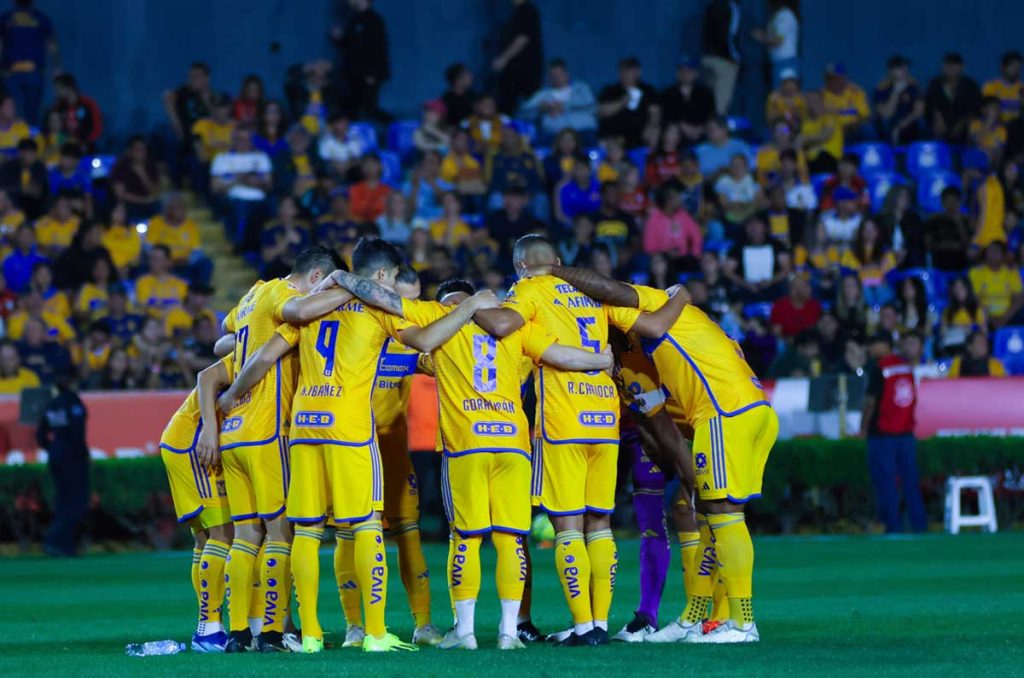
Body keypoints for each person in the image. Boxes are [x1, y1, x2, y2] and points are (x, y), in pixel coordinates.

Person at [331, 269, 614, 650]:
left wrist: (341, 276)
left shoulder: (439, 319)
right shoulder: (512, 326)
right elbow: (561, 354)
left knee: (465, 537)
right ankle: (509, 633)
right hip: (514, 446)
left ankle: (464, 633)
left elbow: (385, 301)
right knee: (512, 539)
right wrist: (601, 358)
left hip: (466, 445)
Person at [218, 240, 438, 653]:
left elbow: (259, 355)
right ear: (382, 277)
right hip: (352, 428)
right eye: (391, 280)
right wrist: (466, 308)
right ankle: (374, 633)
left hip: (303, 425)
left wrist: (231, 395)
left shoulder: (304, 312)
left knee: (307, 530)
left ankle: (313, 635)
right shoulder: (374, 307)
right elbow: (427, 339)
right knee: (367, 526)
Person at [470, 234, 685, 646]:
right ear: (558, 259)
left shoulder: (529, 290)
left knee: (567, 524)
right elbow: (652, 323)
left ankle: (584, 626)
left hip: (563, 420)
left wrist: (469, 306)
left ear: (520, 266)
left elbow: (500, 324)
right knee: (600, 522)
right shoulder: (592, 292)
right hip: (604, 418)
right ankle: (601, 623)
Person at [547, 264, 777, 644]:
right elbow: (657, 428)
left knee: (720, 513)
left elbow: (613, 293)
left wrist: (556, 272)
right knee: (708, 512)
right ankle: (695, 617)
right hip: (750, 409)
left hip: (724, 412)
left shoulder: (650, 310)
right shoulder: (672, 325)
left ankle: (740, 622)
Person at [213, 246, 341, 653]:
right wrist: (349, 292)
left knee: (246, 536)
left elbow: (223, 337)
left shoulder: (253, 294)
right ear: (317, 275)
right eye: (327, 283)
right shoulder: (283, 294)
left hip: (234, 432)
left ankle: (237, 633)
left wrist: (247, 343)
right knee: (280, 533)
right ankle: (271, 632)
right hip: (267, 429)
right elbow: (301, 312)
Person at [158, 356, 236, 652]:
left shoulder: (250, 338)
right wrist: (210, 429)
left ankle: (210, 628)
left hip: (184, 438)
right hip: (195, 441)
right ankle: (209, 631)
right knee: (223, 534)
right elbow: (206, 376)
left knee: (205, 540)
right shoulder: (257, 343)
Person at [860, 332, 927, 534]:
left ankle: (893, 526)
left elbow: (871, 403)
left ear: (885, 345)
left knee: (886, 482)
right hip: (905, 433)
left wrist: (863, 428)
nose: (869, 349)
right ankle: (919, 525)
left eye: (873, 344)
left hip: (883, 434)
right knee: (911, 483)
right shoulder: (905, 367)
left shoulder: (879, 368)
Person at [37, 367, 89, 557]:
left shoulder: (52, 405)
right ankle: (60, 542)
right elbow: (77, 434)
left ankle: (57, 542)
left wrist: (52, 448)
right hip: (73, 458)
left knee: (62, 500)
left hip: (56, 455)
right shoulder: (73, 404)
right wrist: (82, 455)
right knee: (76, 502)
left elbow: (41, 434)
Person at [210, 126, 272, 251]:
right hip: (234, 199)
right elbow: (215, 187)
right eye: (239, 139)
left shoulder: (261, 157)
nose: (243, 143)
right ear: (233, 140)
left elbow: (268, 184)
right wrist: (247, 179)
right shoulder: (222, 158)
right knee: (239, 207)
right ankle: (240, 245)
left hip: (260, 199)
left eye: (246, 139)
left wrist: (237, 179)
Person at [0, 0, 58, 126]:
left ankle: (33, 142)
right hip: (15, 74)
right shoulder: (5, 18)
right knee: (15, 113)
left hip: (29, 73)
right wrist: (56, 67)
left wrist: (56, 68)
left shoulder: (41, 18)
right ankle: (15, 143)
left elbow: (51, 44)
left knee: (30, 115)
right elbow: (52, 46)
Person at [331, 0, 391, 121]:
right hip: (354, 75)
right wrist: (340, 39)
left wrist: (373, 74)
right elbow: (353, 46)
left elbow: (378, 49)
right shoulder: (355, 20)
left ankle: (393, 127)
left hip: (368, 75)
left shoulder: (374, 19)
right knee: (354, 108)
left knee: (369, 109)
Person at [520, 58, 597, 145]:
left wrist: (564, 106)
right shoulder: (543, 94)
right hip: (554, 135)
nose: (556, 78)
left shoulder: (581, 89)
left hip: (582, 132)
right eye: (553, 75)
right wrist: (540, 108)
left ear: (567, 73)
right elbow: (524, 112)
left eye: (559, 74)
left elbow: (591, 106)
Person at [493, 0, 544, 115]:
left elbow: (523, 38)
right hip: (515, 71)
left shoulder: (527, 10)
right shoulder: (516, 12)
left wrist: (503, 59)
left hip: (524, 70)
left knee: (530, 106)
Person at [723, 218, 791, 302]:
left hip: (773, 286)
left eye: (757, 225)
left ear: (765, 228)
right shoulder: (738, 247)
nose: (753, 229)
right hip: (746, 288)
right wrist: (746, 284)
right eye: (750, 226)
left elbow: (786, 268)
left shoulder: (776, 245)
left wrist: (770, 282)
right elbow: (727, 271)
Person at [597, 56, 658, 149]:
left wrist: (651, 126)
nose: (625, 74)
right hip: (614, 137)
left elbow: (655, 113)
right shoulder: (610, 91)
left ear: (638, 72)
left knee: (654, 131)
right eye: (623, 70)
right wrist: (622, 102)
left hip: (639, 136)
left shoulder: (648, 91)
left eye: (629, 70)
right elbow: (602, 111)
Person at [925, 53, 981, 144]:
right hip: (939, 130)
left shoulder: (971, 86)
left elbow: (975, 110)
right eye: (947, 66)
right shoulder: (935, 84)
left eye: (953, 66)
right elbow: (929, 106)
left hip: (964, 130)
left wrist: (961, 125)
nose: (949, 69)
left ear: (961, 67)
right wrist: (937, 118)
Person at [660, 57, 716, 145]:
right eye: (683, 71)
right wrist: (682, 126)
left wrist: (700, 129)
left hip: (701, 135)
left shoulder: (706, 94)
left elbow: (711, 115)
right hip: (676, 137)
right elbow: (666, 116)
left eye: (689, 71)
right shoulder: (667, 93)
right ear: (677, 73)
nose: (686, 74)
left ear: (696, 74)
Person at [969, 240, 1024, 328]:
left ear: (1003, 255)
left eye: (996, 251)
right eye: (990, 251)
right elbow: (976, 299)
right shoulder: (976, 272)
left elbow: (1019, 298)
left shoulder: (1011, 273)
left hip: (1008, 315)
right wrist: (990, 318)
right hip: (985, 316)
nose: (993, 254)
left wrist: (1005, 317)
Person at [701, 0, 741, 115]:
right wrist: (734, 58)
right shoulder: (730, 7)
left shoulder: (712, 5)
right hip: (723, 60)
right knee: (720, 105)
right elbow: (727, 35)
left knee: (710, 102)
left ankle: (711, 130)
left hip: (707, 57)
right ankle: (717, 130)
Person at [873, 55, 924, 144]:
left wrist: (900, 126)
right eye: (900, 68)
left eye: (905, 67)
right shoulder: (882, 88)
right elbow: (886, 115)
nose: (905, 70)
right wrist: (896, 92)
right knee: (885, 126)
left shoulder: (913, 86)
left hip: (907, 125)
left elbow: (919, 111)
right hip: (887, 127)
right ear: (891, 71)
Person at [110, 135, 162, 222]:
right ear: (130, 151)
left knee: (159, 205)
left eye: (143, 149)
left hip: (148, 203)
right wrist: (143, 201)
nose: (141, 153)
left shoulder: (151, 165)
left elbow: (154, 192)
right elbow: (120, 194)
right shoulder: (120, 167)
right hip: (130, 204)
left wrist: (142, 174)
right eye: (137, 150)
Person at [751, 0, 800, 86]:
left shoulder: (786, 15)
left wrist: (760, 37)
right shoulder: (776, 14)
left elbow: (777, 41)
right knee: (776, 96)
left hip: (786, 62)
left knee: (785, 95)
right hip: (776, 62)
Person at [50, 73, 102, 151]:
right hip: (64, 147)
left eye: (59, 89)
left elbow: (97, 127)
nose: (56, 92)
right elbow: (54, 129)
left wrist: (85, 142)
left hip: (85, 146)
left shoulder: (88, 104)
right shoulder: (58, 107)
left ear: (69, 88)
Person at [925, 186, 971, 271]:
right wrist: (947, 246)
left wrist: (959, 224)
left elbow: (969, 247)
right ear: (942, 203)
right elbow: (928, 245)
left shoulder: (966, 221)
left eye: (954, 201)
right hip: (940, 266)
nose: (951, 205)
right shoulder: (934, 221)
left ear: (959, 202)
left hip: (962, 266)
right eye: (948, 201)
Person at [135, 245, 188, 318]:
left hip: (175, 322)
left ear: (168, 262)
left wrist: (158, 305)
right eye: (151, 259)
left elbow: (183, 307)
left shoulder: (181, 284)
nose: (153, 263)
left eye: (157, 259)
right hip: (151, 321)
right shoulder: (142, 282)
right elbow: (145, 306)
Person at [822, 62, 870, 140]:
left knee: (867, 131)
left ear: (844, 78)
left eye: (836, 78)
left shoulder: (856, 92)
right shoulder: (821, 95)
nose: (833, 82)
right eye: (830, 78)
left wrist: (853, 124)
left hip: (854, 128)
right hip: (833, 130)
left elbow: (865, 115)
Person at [939, 277, 985, 356]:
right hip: (953, 344)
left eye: (961, 287)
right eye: (956, 288)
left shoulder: (977, 310)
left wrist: (971, 330)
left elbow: (984, 332)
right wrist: (958, 329)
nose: (958, 291)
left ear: (967, 289)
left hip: (971, 344)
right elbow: (943, 332)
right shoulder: (947, 312)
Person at [770, 274, 821, 339]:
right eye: (804, 287)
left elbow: (817, 331)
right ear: (793, 291)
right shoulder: (780, 306)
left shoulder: (815, 305)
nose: (809, 289)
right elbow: (776, 333)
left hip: (809, 345)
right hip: (787, 344)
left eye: (808, 286)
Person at [982, 51, 1022, 123]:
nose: (1016, 71)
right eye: (1014, 67)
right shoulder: (991, 86)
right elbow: (986, 111)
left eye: (1018, 68)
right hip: (997, 128)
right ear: (1003, 67)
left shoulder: (1022, 87)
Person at [441, 62, 475, 128]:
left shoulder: (473, 97)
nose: (471, 77)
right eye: (466, 75)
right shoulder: (447, 100)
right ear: (457, 80)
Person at [0, 94, 31, 159]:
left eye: (13, 106)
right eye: (8, 106)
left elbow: (28, 155)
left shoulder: (22, 128)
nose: (11, 109)